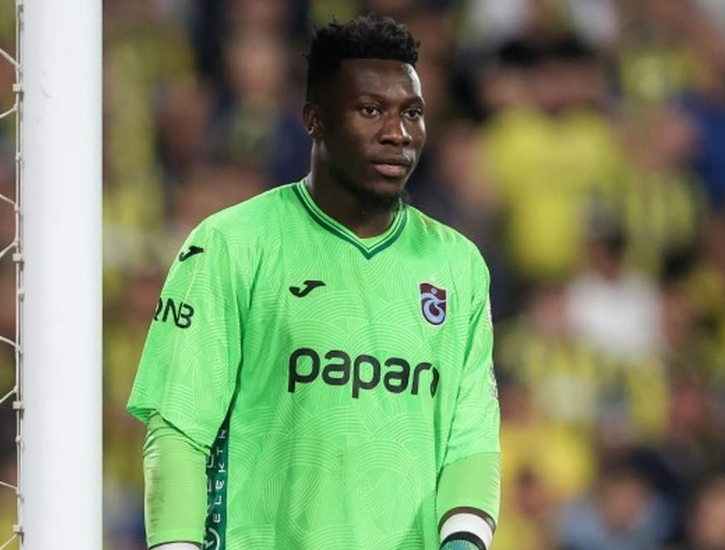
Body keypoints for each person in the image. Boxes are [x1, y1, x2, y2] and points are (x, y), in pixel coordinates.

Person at [127, 13, 501, 550]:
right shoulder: (231, 244)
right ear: (315, 119)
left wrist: (463, 543)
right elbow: (179, 429)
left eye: (412, 113)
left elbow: (471, 439)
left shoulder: (457, 264)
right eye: (370, 110)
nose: (397, 133)